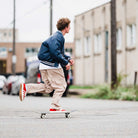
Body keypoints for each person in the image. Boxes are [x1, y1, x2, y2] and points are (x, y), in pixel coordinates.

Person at [19, 18, 74, 111]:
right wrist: (65, 63)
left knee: (48, 88)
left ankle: (27, 88)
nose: (70, 28)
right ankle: (55, 106)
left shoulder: (56, 37)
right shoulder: (58, 37)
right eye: (69, 26)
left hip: (44, 65)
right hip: (52, 66)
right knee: (61, 86)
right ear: (66, 27)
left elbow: (60, 52)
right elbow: (55, 53)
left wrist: (68, 59)